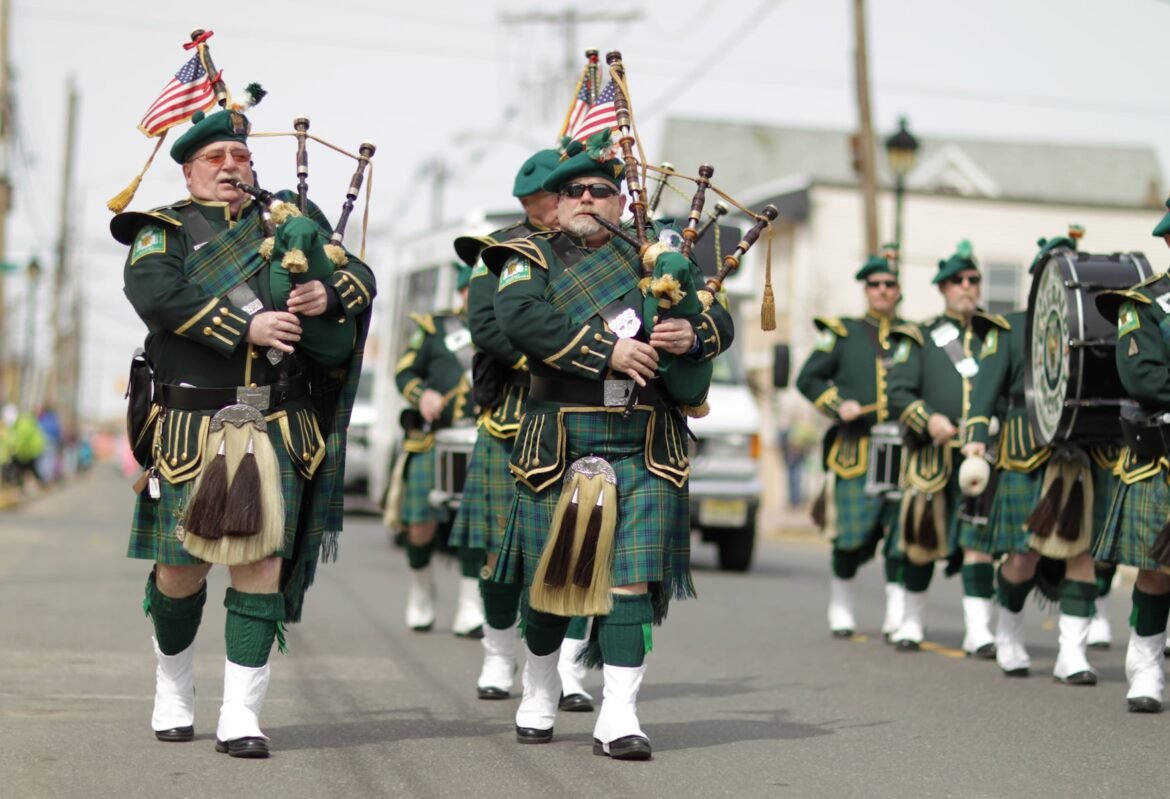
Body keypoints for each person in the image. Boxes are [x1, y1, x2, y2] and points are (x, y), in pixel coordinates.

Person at [113, 102, 375, 757]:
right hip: (192, 419)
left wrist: (329, 293)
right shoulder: (163, 230)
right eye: (214, 159)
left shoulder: (289, 220)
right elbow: (154, 293)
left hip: (275, 419)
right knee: (182, 568)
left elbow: (360, 275)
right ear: (190, 172)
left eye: (239, 156)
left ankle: (240, 712)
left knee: (260, 562)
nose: (230, 167)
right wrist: (246, 326)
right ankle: (173, 687)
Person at [483, 130, 735, 760]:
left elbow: (718, 318)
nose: (590, 199)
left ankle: (619, 713)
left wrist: (690, 334)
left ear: (621, 201)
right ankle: (539, 689)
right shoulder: (526, 256)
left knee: (631, 582)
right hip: (560, 433)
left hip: (646, 437)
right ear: (559, 201)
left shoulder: (657, 258)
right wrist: (609, 351)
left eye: (602, 189)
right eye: (576, 191)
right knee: (551, 581)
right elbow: (522, 320)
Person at [450, 148, 595, 710]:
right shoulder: (499, 253)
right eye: (533, 204)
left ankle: (572, 669)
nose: (543, 211)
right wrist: (568, 355)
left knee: (583, 547)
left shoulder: (603, 251)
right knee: (499, 552)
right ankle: (498, 654)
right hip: (511, 416)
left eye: (549, 200)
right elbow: (488, 328)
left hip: (585, 414)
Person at [961, 229, 1099, 683]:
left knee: (1080, 554)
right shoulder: (1008, 328)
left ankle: (1072, 654)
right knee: (1023, 557)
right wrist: (977, 437)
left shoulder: (1089, 322)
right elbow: (984, 391)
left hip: (1074, 452)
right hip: (1023, 452)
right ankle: (1009, 632)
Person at [887, 240, 1004, 653]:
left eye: (973, 279)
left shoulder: (996, 335)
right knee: (921, 543)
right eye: (959, 280)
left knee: (979, 543)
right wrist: (928, 419)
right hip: (933, 455)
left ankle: (979, 631)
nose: (968, 286)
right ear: (944, 287)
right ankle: (911, 622)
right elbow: (898, 393)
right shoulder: (919, 335)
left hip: (980, 455)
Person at [794, 250, 908, 641]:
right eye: (875, 285)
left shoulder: (914, 336)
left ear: (898, 291)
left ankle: (897, 613)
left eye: (889, 284)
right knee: (849, 538)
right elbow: (808, 379)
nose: (882, 290)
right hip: (855, 452)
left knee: (898, 537)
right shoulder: (841, 333)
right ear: (866, 290)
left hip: (903, 452)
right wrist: (837, 404)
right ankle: (841, 604)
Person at [1092, 197, 1170, 712]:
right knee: (1159, 568)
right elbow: (1142, 377)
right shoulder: (1141, 304)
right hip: (1163, 453)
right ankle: (1145, 663)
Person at [392, 265, 477, 634]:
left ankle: (471, 606)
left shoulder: (510, 330)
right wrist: (421, 394)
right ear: (461, 292)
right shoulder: (437, 329)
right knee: (420, 523)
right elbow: (404, 373)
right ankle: (420, 590)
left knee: (477, 524)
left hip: (484, 438)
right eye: (472, 288)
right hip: (435, 439)